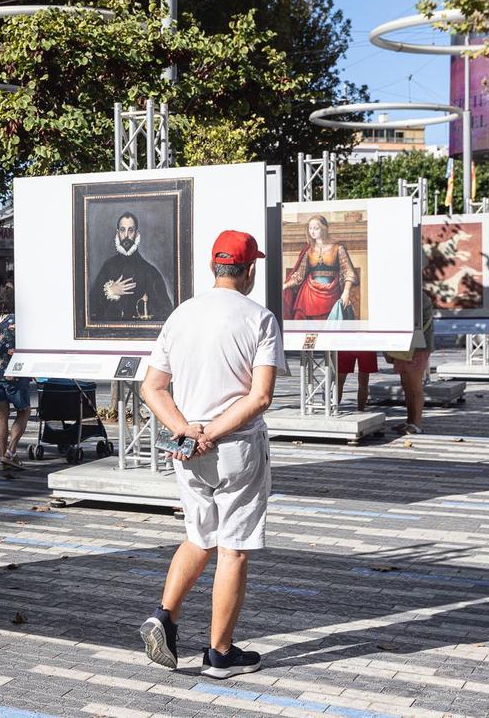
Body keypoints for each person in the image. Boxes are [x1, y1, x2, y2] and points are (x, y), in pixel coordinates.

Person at [138, 230, 285, 679]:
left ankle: (165, 615)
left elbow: (152, 388)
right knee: (233, 548)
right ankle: (220, 653)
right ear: (251, 270)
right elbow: (260, 397)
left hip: (188, 448)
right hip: (237, 446)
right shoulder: (260, 319)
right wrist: (214, 432)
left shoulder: (182, 315)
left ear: (212, 266)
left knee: (198, 535)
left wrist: (187, 431)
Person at [89, 211, 173, 322]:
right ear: (117, 233)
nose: (126, 235)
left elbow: (166, 314)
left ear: (137, 234)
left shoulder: (150, 271)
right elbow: (91, 309)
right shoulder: (108, 267)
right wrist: (110, 291)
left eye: (131, 230)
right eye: (122, 230)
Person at [0, 283, 30, 471]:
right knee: (24, 410)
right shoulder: (16, 321)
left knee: (1, 415)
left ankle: (2, 456)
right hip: (14, 374)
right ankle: (11, 451)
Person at [283, 214, 358, 320]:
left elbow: (348, 272)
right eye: (310, 228)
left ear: (325, 228)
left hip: (331, 294)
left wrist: (346, 292)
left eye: (316, 228)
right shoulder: (308, 251)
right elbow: (300, 275)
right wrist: (285, 285)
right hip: (308, 296)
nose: (312, 231)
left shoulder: (338, 248)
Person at [385, 293, 434, 434]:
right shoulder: (404, 295)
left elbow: (417, 320)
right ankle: (410, 420)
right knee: (406, 385)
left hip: (417, 346)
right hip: (403, 346)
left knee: (414, 387)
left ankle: (417, 423)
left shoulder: (419, 297)